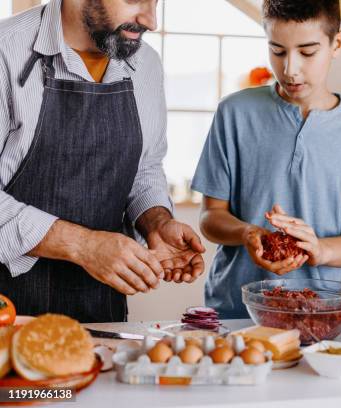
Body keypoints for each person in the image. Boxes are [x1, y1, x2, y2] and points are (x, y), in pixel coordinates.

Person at [0, 0, 205, 323]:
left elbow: (145, 168)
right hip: (7, 307)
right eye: (135, 0)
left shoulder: (146, 63)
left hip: (100, 310)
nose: (151, 21)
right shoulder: (5, 52)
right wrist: (83, 246)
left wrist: (156, 221)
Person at [192, 0, 341, 319]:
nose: (290, 68)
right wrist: (248, 233)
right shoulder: (234, 113)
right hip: (235, 313)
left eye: (307, 52)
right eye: (277, 50)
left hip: (322, 316)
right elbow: (210, 217)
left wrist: (320, 249)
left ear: (336, 43)